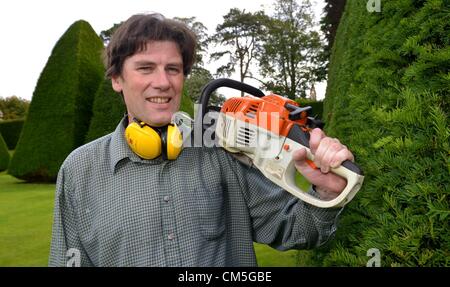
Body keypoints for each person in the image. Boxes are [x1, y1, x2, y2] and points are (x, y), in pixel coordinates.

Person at [49, 13, 354, 267]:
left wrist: (325, 193)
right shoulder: (80, 170)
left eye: (173, 69)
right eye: (145, 68)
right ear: (117, 79)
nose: (163, 82)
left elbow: (297, 229)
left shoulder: (218, 147)